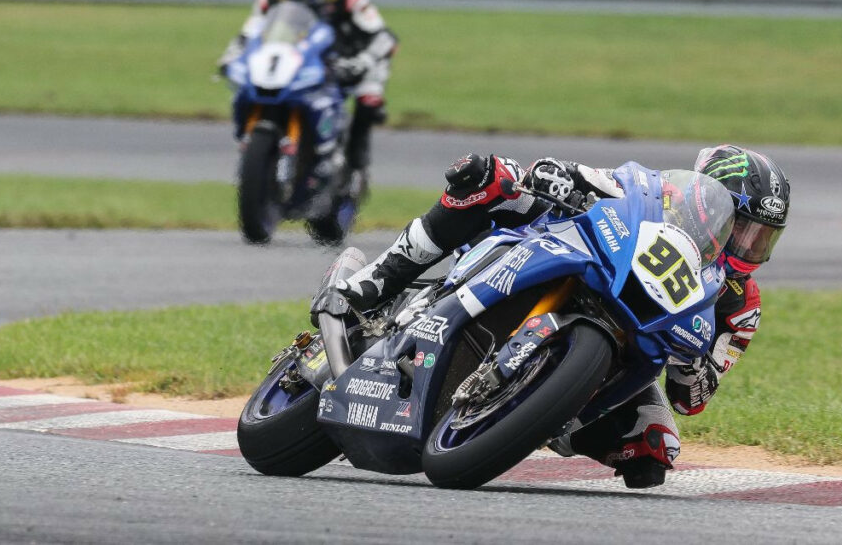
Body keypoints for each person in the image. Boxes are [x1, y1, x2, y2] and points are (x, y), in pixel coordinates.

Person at [337, 146, 790, 489]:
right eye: (742, 227)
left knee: (654, 448)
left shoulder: (740, 305)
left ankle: (534, 417)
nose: (748, 246)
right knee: (491, 176)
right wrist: (557, 176)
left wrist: (692, 368)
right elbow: (591, 178)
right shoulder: (661, 192)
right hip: (577, 251)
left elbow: (693, 399)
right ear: (705, 200)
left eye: (762, 238)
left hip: (631, 342)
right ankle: (380, 280)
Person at [217, 0, 398, 179]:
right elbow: (248, 35)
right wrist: (230, 57)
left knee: (368, 100)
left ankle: (355, 166)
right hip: (303, 60)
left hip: (353, 59)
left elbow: (384, 38)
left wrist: (362, 61)